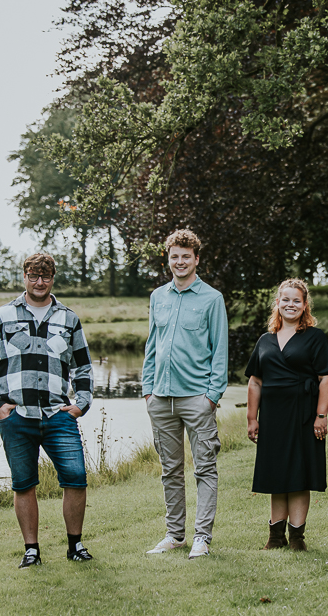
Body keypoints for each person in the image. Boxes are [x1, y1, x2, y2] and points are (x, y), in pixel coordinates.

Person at [0, 253, 94, 569]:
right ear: (25, 277)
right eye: (33, 275)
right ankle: (32, 550)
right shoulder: (2, 316)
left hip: (59, 415)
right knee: (24, 483)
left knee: (76, 478)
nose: (39, 281)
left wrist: (81, 404)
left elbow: (83, 366)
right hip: (17, 417)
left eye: (45, 276)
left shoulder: (68, 319)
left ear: (52, 278)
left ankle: (75, 545)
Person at [142, 229, 228, 559]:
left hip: (197, 398)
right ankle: (175, 535)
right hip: (160, 398)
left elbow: (219, 350)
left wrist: (212, 396)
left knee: (205, 469)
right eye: (175, 256)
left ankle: (201, 538)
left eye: (186, 256)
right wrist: (147, 391)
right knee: (170, 471)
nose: (180, 262)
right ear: (169, 259)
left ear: (196, 259)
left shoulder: (212, 298)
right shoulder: (158, 297)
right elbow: (152, 346)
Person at [245, 279, 328, 551]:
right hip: (273, 416)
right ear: (277, 303)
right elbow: (255, 382)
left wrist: (321, 415)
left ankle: (297, 538)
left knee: (299, 474)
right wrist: (252, 418)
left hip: (304, 414)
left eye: (296, 300)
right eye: (285, 300)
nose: (290, 305)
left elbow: (326, 378)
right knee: (277, 474)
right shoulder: (265, 340)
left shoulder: (315, 337)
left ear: (305, 305)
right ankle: (275, 538)